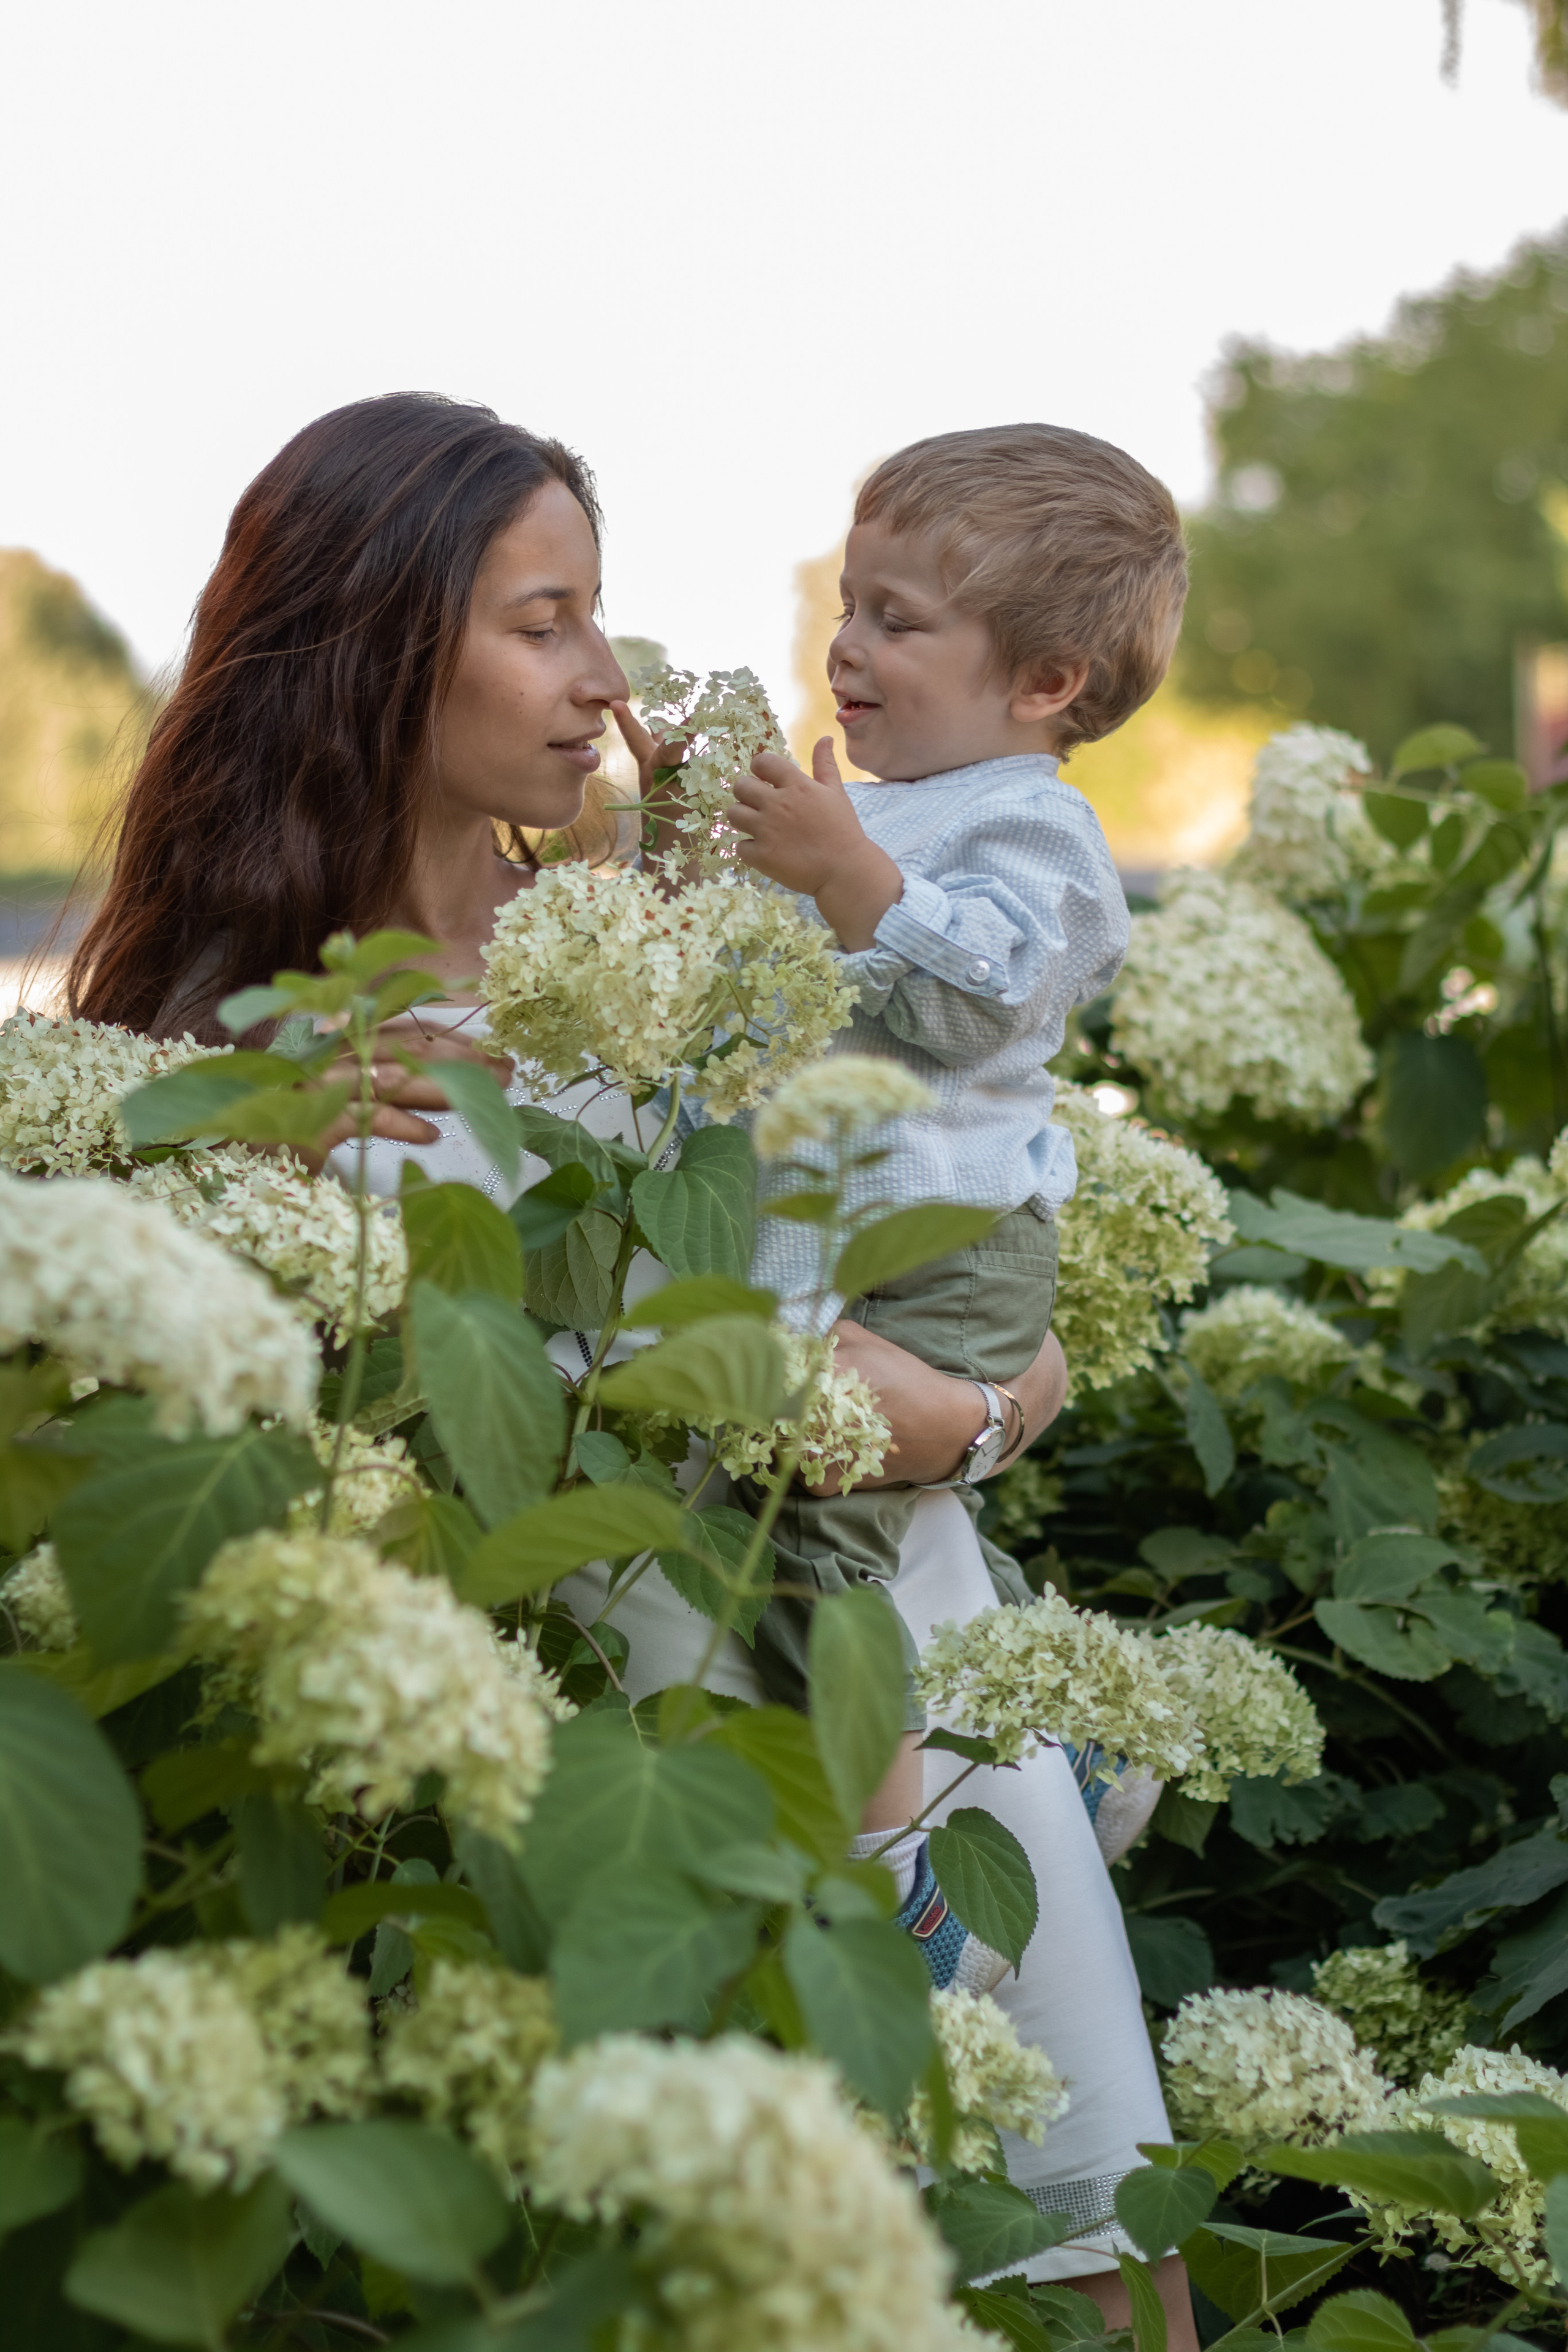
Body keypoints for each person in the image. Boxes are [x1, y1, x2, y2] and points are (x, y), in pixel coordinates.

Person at [66, 392, 1196, 2346]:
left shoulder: (670, 928)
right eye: (545, 619)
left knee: (1105, 2285)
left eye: (601, 614)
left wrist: (989, 1407)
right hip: (632, 1783)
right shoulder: (250, 1050)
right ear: (376, 642)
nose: (603, 676)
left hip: (919, 1691)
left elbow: (972, 1233)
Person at [624, 423, 1187, 1993]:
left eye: (896, 617)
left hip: (944, 1240)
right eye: (849, 604)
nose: (845, 645)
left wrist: (848, 877)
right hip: (852, 1248)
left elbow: (983, 993)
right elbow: (746, 991)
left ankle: (903, 1888)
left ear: (1047, 684)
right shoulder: (892, 815)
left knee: (802, 1532)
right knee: (886, 1508)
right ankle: (1067, 1735)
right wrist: (695, 840)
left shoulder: (1028, 826)